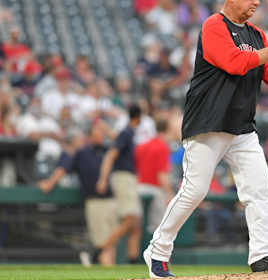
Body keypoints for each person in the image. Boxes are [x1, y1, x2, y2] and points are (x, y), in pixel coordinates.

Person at [143, 0, 268, 278]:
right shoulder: (213, 25)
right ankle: (157, 250)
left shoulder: (256, 35)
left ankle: (263, 254)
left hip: (241, 125)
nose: (256, 1)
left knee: (259, 190)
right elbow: (233, 63)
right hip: (208, 121)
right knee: (194, 191)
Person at [37, 126, 119, 265]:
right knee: (102, 242)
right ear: (89, 137)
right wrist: (51, 182)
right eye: (97, 133)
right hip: (95, 201)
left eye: (101, 134)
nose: (100, 137)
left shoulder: (107, 150)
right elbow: (64, 168)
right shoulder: (82, 153)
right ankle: (108, 272)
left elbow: (122, 142)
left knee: (111, 242)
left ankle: (110, 270)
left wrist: (107, 129)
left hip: (112, 200)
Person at [97, 105, 143, 264]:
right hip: (123, 177)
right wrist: (103, 179)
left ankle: (133, 260)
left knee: (136, 223)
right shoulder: (126, 132)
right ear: (138, 118)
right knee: (130, 219)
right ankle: (100, 249)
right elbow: (110, 155)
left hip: (128, 177)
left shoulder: (127, 133)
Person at [135, 117, 174, 233]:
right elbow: (162, 175)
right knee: (160, 229)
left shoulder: (142, 145)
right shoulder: (162, 146)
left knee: (139, 227)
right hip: (155, 190)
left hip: (138, 188)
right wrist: (170, 193)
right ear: (167, 130)